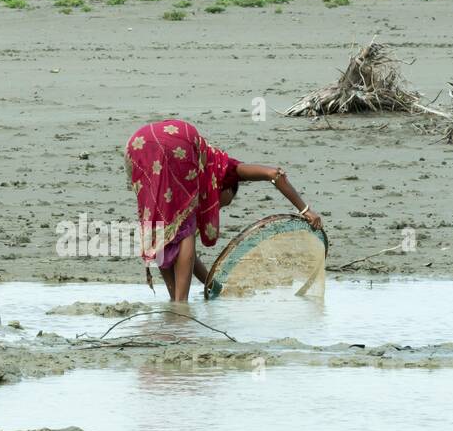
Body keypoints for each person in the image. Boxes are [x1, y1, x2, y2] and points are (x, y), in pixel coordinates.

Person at [124, 119, 322, 302]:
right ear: (227, 188)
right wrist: (305, 210)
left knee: (160, 226)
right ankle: (181, 304)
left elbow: (189, 257)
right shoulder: (228, 169)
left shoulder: (199, 176)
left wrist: (214, 286)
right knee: (184, 227)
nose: (219, 207)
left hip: (138, 144)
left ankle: (174, 301)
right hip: (177, 143)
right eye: (225, 202)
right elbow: (274, 174)